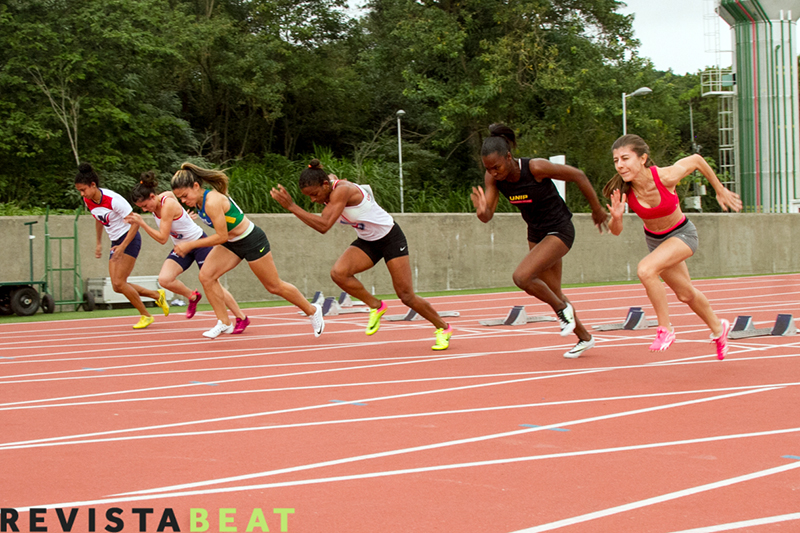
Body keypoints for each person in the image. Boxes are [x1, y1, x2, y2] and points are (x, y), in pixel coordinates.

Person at [269, 159, 453, 350]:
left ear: (325, 185)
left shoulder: (342, 190)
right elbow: (330, 178)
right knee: (338, 273)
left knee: (406, 295)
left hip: (390, 238)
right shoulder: (329, 184)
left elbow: (324, 226)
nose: (313, 200)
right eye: (309, 197)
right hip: (368, 241)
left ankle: (443, 328)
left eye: (314, 195)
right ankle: (376, 306)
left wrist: (292, 207)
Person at [470, 124, 608, 359]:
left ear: (509, 157)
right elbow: (487, 216)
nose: (493, 172)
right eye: (488, 169)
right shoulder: (494, 178)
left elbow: (578, 175)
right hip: (536, 234)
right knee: (553, 290)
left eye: (497, 166)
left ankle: (562, 311)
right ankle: (585, 337)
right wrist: (482, 211)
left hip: (559, 230)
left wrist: (596, 209)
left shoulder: (535, 167)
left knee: (522, 277)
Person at [604, 134, 742, 359]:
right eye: (616, 160)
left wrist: (719, 189)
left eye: (625, 158)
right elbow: (615, 231)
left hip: (682, 235)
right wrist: (617, 217)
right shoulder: (623, 191)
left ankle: (665, 329)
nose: (620, 165)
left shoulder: (666, 176)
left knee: (646, 270)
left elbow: (697, 159)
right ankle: (719, 329)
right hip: (656, 242)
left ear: (643, 158)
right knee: (686, 294)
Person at [170, 162, 324, 339]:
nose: (183, 201)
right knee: (206, 276)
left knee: (273, 286)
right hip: (232, 243)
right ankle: (224, 322)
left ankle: (313, 310)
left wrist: (190, 245)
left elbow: (221, 236)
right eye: (179, 198)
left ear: (196, 186)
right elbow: (225, 237)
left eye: (184, 196)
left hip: (251, 240)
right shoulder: (198, 203)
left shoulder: (211, 201)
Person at [125, 171, 249, 334]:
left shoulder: (166, 205)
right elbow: (176, 203)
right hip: (181, 247)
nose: (145, 210)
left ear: (152, 196)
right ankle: (192, 296)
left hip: (198, 243)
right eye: (141, 208)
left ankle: (240, 317)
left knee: (212, 282)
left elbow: (162, 238)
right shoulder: (165, 198)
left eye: (146, 205)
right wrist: (184, 217)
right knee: (165, 279)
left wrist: (142, 223)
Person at [74, 163, 169, 329]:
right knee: (118, 286)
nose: (82, 194)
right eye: (80, 191)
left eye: (83, 190)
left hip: (129, 239)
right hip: (115, 242)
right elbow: (98, 219)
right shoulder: (88, 200)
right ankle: (155, 294)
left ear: (93, 185)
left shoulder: (113, 200)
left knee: (119, 282)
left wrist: (123, 246)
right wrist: (98, 243)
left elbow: (135, 224)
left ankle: (146, 315)